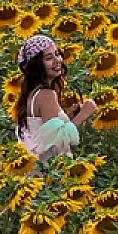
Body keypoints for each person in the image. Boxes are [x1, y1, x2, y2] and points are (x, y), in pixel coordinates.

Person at [14, 34, 97, 162]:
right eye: (49, 58)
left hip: (38, 168)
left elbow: (43, 132)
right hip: (51, 170)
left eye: (57, 54)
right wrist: (84, 114)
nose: (57, 60)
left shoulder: (33, 93)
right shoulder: (46, 95)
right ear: (37, 65)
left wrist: (68, 119)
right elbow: (56, 142)